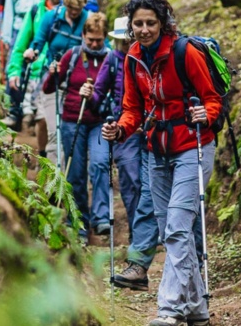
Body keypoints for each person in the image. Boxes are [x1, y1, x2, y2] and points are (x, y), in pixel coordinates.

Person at [102, 0, 222, 326]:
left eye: (150, 23)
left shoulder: (185, 52)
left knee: (177, 229)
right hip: (157, 152)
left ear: (162, 23)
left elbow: (213, 99)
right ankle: (197, 310)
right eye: (137, 24)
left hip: (193, 148)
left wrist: (204, 114)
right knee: (174, 229)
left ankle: (169, 310)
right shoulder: (133, 58)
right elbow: (132, 109)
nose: (143, 29)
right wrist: (120, 130)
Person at [80, 16, 160, 290]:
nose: (126, 43)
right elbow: (99, 94)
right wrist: (88, 94)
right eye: (123, 39)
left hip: (149, 129)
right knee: (130, 182)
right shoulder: (114, 60)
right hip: (125, 131)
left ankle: (147, 239)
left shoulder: (147, 57)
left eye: (128, 38)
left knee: (147, 184)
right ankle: (140, 240)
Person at [42, 12, 111, 243]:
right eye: (90, 39)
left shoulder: (110, 59)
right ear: (83, 35)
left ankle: (101, 217)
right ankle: (78, 219)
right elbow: (48, 89)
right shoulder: (72, 56)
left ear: (104, 38)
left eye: (98, 40)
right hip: (73, 120)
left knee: (101, 164)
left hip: (99, 120)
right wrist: (52, 73)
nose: (93, 44)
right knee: (76, 173)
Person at [24, 0, 91, 164]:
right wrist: (32, 52)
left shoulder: (89, 20)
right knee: (54, 133)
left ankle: (69, 177)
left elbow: (100, 47)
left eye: (77, 8)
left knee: (71, 133)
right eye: (70, 7)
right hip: (53, 82)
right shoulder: (51, 18)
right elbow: (38, 42)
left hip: (77, 85)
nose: (74, 11)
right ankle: (53, 180)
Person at [5, 0, 68, 159]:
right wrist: (14, 71)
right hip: (37, 74)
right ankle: (44, 158)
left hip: (65, 73)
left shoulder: (74, 12)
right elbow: (20, 45)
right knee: (43, 119)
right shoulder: (35, 12)